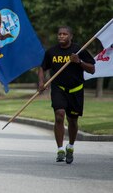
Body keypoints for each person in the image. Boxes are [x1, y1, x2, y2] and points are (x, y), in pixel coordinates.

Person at [37, 26, 95, 164]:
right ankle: (60, 149)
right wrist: (41, 82)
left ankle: (71, 146)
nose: (61, 36)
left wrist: (79, 61)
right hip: (59, 89)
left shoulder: (79, 50)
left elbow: (92, 69)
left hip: (76, 90)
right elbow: (42, 68)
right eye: (59, 34)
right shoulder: (51, 52)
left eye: (64, 34)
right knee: (59, 115)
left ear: (71, 36)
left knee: (73, 121)